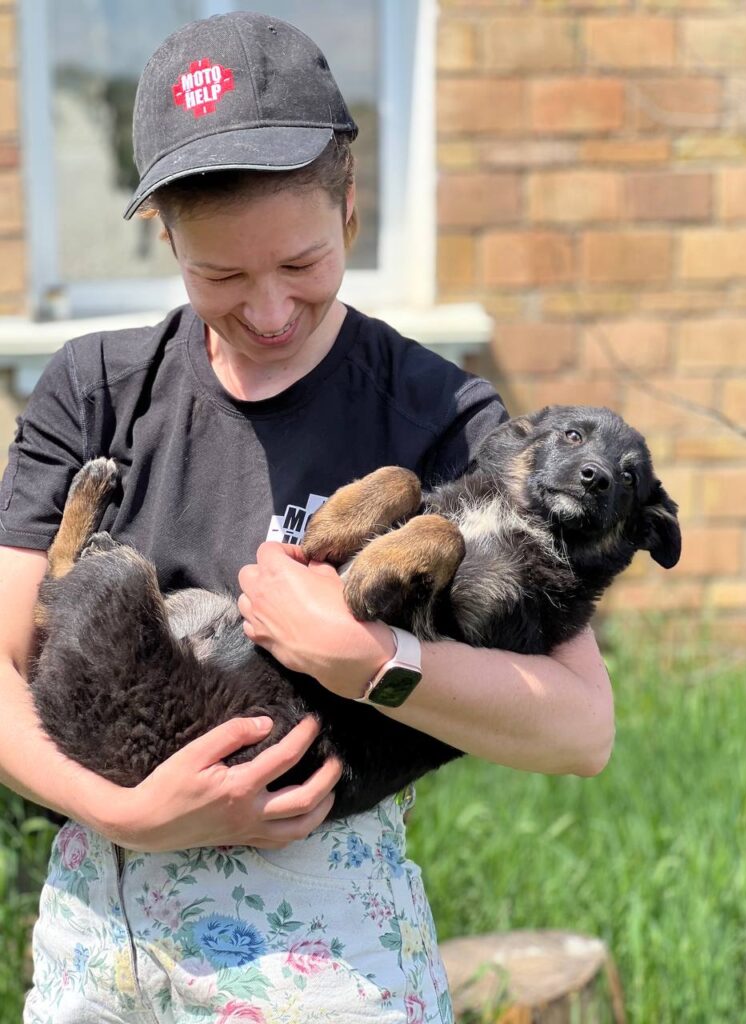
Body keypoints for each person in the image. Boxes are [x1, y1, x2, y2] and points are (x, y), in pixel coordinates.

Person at [0, 12, 614, 1024]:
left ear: (352, 213)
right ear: (165, 238)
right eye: (222, 276)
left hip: (330, 964)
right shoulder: (94, 390)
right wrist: (132, 814)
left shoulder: (440, 416)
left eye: (301, 262)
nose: (272, 310)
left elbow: (581, 727)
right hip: (105, 949)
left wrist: (369, 659)